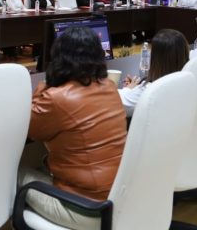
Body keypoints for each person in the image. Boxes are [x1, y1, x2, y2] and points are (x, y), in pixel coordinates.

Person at [19, 27, 126, 228]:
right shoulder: (110, 87)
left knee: (16, 172)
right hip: (118, 199)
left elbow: (29, 130)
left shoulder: (57, 97)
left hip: (86, 209)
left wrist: (45, 84)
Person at [118, 29, 190, 117]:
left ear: (156, 59)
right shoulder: (188, 82)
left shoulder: (149, 91)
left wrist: (128, 89)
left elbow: (116, 102)